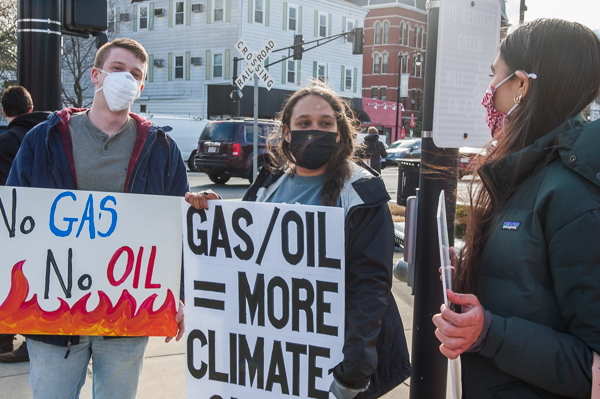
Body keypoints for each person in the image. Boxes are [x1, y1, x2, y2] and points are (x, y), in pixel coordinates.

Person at [188, 83, 411, 399]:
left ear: (339, 132)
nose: (314, 131)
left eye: (325, 123)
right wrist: (214, 215)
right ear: (288, 132)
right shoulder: (269, 183)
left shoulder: (362, 192)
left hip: (334, 363)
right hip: (270, 357)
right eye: (304, 123)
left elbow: (370, 287)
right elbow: (239, 260)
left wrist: (353, 371)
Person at [7, 38, 189, 398]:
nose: (126, 79)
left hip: (127, 313)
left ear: (141, 86)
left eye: (135, 74)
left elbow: (177, 227)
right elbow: (15, 218)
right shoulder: (42, 140)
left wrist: (176, 294)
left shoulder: (162, 150)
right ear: (96, 75)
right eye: (118, 69)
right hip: (53, 315)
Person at [432, 19, 600, 398]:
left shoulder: (573, 194)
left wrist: (488, 332)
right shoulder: (528, 173)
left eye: (495, 76)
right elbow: (530, 290)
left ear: (521, 86)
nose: (488, 92)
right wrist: (470, 275)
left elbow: (591, 367)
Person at [0, 86, 51, 363]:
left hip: (10, 225)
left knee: (7, 283)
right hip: (46, 226)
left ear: (5, 111)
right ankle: (31, 340)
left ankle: (5, 339)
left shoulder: (7, 141)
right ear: (30, 108)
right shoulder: (51, 134)